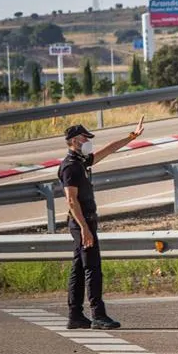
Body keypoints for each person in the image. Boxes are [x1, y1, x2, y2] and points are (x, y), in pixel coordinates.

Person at [58, 117, 145, 330]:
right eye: (85, 138)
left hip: (85, 223)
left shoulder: (81, 162)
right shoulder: (70, 167)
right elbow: (71, 200)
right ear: (75, 141)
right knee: (92, 268)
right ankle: (98, 315)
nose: (88, 141)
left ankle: (75, 315)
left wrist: (130, 137)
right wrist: (85, 229)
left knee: (79, 269)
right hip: (81, 224)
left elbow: (107, 150)